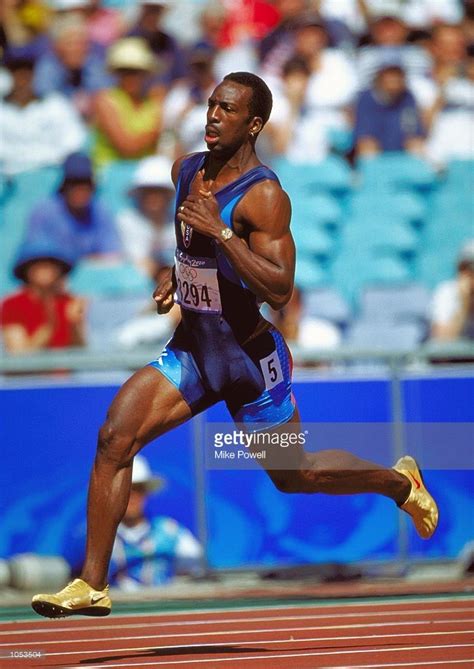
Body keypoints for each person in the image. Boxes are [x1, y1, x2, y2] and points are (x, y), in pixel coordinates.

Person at [31, 71, 438, 619]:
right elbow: (190, 250)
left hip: (249, 362)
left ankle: (397, 481)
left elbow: (280, 288)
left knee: (299, 476)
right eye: (210, 105)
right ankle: (93, 583)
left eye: (227, 109)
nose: (213, 117)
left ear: (255, 123)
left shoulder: (264, 196)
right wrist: (173, 274)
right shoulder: (185, 170)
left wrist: (222, 235)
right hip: (195, 352)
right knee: (114, 438)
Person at [0, 47, 86, 175]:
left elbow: (73, 142)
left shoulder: (56, 105)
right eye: (16, 71)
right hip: (6, 177)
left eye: (28, 71)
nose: (22, 77)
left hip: (50, 174)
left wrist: (42, 161)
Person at [24, 152, 122, 262]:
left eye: (85, 183)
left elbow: (113, 255)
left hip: (90, 274)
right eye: (74, 183)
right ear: (64, 185)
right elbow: (37, 257)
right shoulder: (44, 211)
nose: (80, 190)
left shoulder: (100, 210)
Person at [0, 242, 85, 352]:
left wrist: (74, 324)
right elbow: (19, 355)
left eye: (51, 263)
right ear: (26, 269)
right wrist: (49, 328)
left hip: (63, 369)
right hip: (32, 370)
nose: (45, 268)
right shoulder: (13, 304)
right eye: (38, 264)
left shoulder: (69, 301)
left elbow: (80, 351)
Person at [91, 37, 162, 169]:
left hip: (146, 173)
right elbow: (126, 147)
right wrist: (155, 134)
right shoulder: (106, 100)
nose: (131, 77)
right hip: (112, 171)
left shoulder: (152, 101)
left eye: (135, 72)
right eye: (125, 71)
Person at [116, 155, 175, 278]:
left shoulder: (177, 222)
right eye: (147, 191)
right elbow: (138, 264)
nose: (152, 197)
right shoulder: (127, 221)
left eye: (158, 191)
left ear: (167, 195)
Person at [354, 63, 425, 156]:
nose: (393, 86)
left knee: (417, 146)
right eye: (390, 81)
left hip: (401, 148)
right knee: (367, 149)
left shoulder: (408, 98)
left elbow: (412, 131)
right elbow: (364, 135)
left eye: (397, 81)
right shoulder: (366, 99)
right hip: (376, 149)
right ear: (379, 82)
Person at [430, 240, 474, 341]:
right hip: (455, 356)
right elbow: (441, 343)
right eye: (465, 268)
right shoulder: (447, 292)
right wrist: (464, 305)